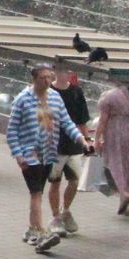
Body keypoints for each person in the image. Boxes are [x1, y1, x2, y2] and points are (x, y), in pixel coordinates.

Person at [6, 63, 87, 253]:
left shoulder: (55, 97)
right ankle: (40, 231)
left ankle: (33, 229)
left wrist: (82, 140)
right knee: (36, 193)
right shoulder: (23, 99)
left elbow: (67, 122)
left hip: (49, 152)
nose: (47, 81)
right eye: (43, 77)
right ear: (34, 79)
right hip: (30, 154)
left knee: (38, 192)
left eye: (49, 77)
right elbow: (12, 130)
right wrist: (18, 155)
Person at [48, 69, 94, 234]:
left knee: (74, 181)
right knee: (55, 182)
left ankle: (65, 210)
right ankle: (55, 217)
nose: (65, 73)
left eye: (67, 70)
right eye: (62, 70)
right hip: (54, 144)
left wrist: (87, 140)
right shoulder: (48, 91)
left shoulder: (76, 91)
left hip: (73, 143)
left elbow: (82, 119)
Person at [91, 77, 129, 217]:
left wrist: (96, 139)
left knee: (114, 164)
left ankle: (123, 193)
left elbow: (103, 121)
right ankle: (125, 201)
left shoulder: (109, 96)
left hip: (116, 133)